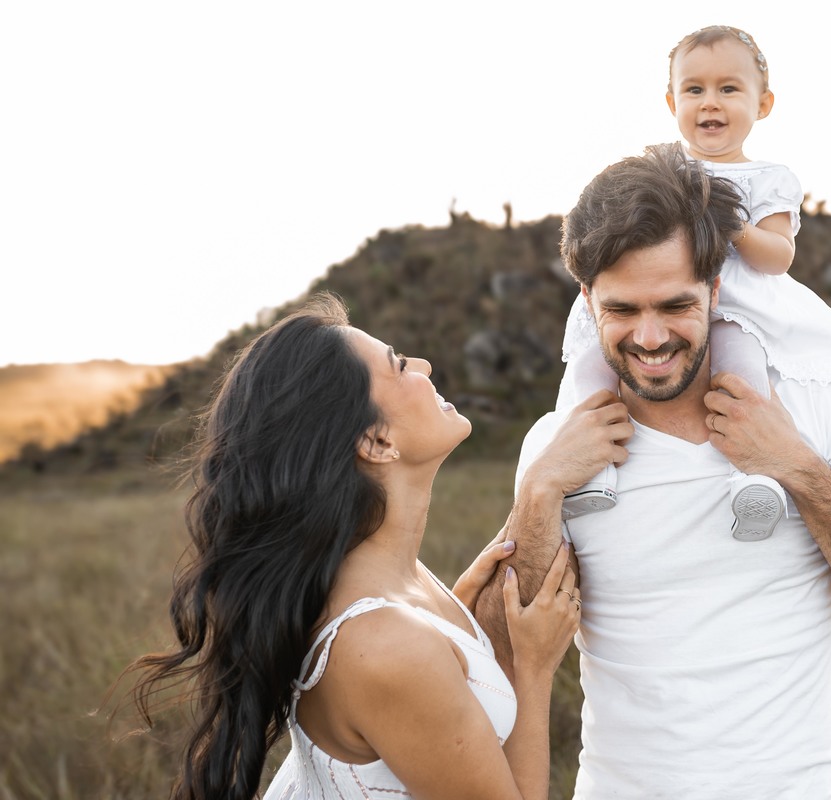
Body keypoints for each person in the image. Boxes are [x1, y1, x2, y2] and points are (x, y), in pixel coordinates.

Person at [476, 144, 831, 799]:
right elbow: (497, 659)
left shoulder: (810, 409)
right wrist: (539, 491)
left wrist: (797, 468)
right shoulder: (558, 447)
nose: (649, 338)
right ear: (587, 300)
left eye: (674, 306)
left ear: (716, 289)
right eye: (621, 310)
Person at [115, 292, 609, 800]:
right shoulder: (385, 645)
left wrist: (465, 621)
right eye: (400, 366)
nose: (424, 365)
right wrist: (533, 668)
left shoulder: (393, 581)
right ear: (377, 442)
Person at [557, 25, 831, 542]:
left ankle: (754, 478)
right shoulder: (665, 166)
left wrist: (733, 225)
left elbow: (779, 256)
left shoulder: (768, 178)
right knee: (587, 367)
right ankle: (588, 469)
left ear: (763, 103)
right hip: (658, 291)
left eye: (729, 88)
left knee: (742, 380)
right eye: (694, 89)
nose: (710, 102)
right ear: (672, 102)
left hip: (734, 304)